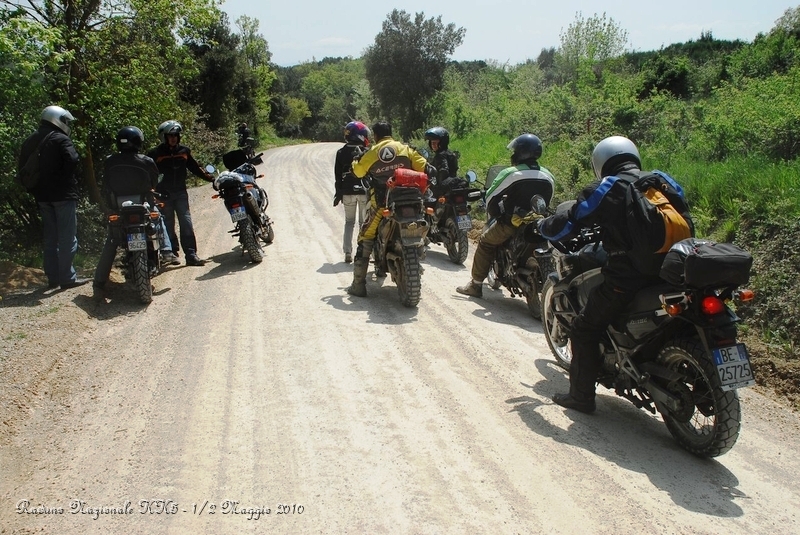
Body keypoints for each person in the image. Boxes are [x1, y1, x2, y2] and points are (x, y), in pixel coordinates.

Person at [537, 135, 694, 413]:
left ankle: (581, 398)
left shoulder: (610, 185)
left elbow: (573, 218)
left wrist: (543, 227)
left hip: (630, 276)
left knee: (584, 328)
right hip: (674, 270)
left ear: (601, 163)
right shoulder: (660, 179)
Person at [456, 134, 555, 298]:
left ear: (521, 153)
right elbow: (546, 202)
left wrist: (498, 214)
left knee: (485, 242)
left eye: (515, 151)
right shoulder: (548, 175)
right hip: (538, 222)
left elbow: (490, 197)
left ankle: (475, 285)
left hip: (512, 224)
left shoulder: (511, 173)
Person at [346, 121, 430, 297]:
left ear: (375, 136)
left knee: (365, 236)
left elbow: (358, 173)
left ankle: (358, 285)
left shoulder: (372, 152)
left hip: (382, 203)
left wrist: (355, 161)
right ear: (391, 134)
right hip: (410, 201)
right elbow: (424, 167)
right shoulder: (405, 149)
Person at [93, 127, 175, 300]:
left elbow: (106, 184)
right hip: (142, 204)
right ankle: (167, 250)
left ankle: (99, 282)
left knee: (112, 241)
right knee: (157, 217)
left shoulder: (110, 162)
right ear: (138, 141)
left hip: (119, 207)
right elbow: (153, 182)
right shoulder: (146, 161)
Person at [17, 105, 88, 290]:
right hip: (63, 195)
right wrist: (64, 179)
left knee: (50, 237)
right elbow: (72, 160)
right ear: (56, 119)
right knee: (67, 238)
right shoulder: (61, 139)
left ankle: (53, 278)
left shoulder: (30, 140)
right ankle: (67, 277)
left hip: (42, 196)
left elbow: (23, 170)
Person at [147, 120, 214, 266]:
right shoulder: (154, 154)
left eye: (176, 135)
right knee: (168, 223)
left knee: (186, 222)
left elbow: (195, 168)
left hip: (181, 192)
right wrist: (149, 190)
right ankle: (173, 253)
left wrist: (212, 179)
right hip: (163, 194)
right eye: (170, 135)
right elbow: (147, 174)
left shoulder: (184, 151)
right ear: (163, 137)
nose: (174, 138)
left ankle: (191, 255)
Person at [334, 121, 371, 264]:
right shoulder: (367, 152)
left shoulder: (341, 152)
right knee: (364, 223)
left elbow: (337, 175)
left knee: (349, 222)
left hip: (347, 191)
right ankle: (364, 252)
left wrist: (338, 193)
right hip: (363, 190)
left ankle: (348, 252)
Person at [423, 126, 461, 194]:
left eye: (435, 142)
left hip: (443, 190)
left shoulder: (440, 155)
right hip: (452, 187)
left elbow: (443, 170)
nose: (433, 145)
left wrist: (439, 187)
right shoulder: (451, 154)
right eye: (432, 143)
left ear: (442, 142)